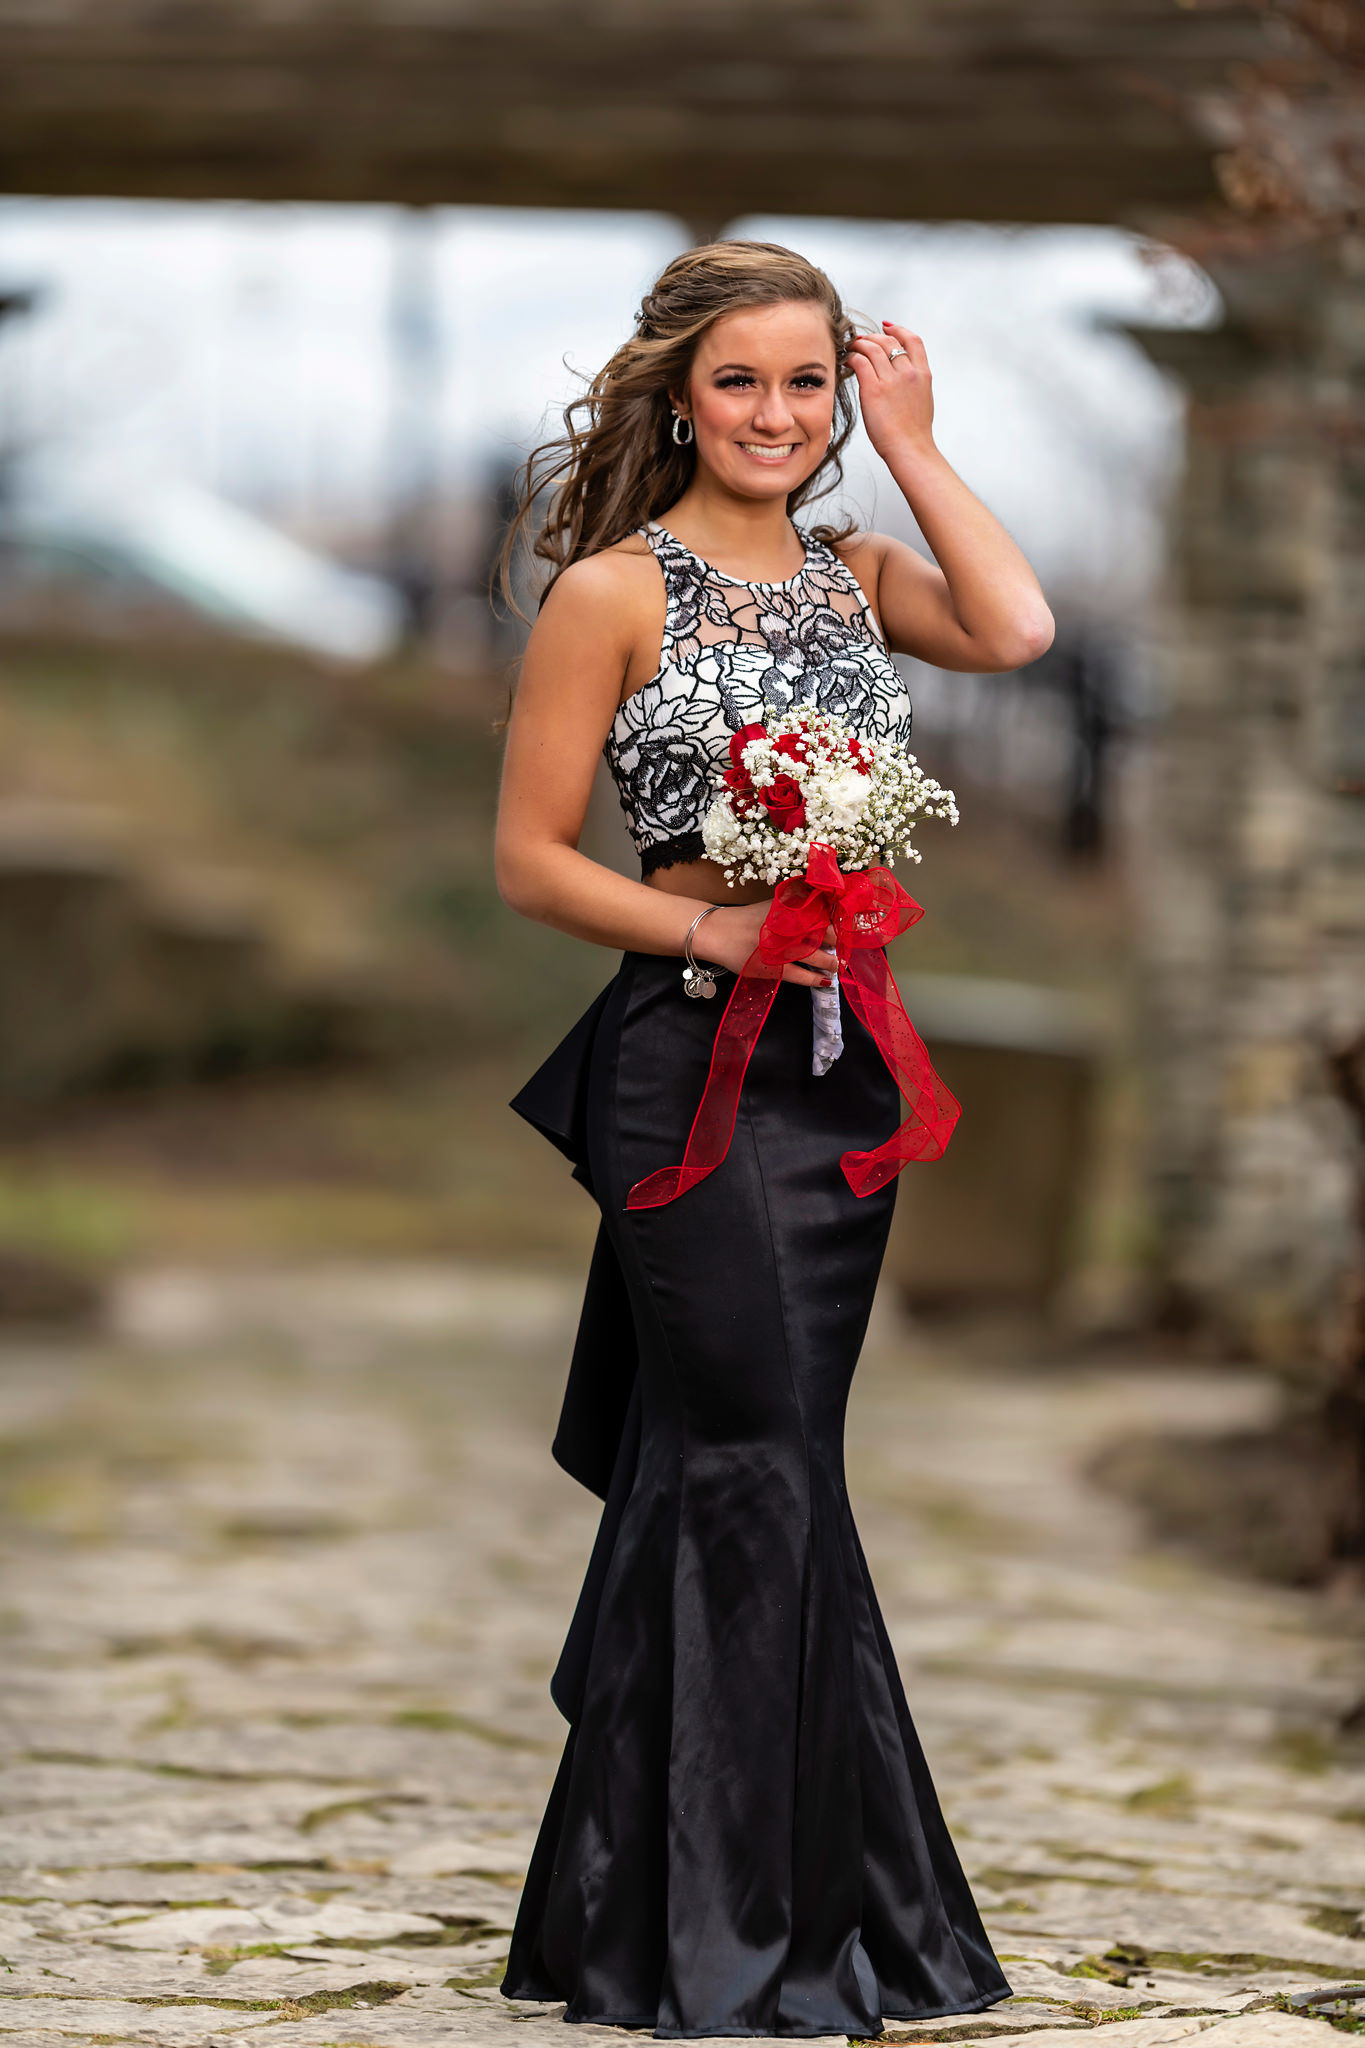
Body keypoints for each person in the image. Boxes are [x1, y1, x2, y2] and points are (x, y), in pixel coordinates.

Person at [494, 239, 1053, 2040]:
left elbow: (1023, 629)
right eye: (740, 380)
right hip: (687, 1067)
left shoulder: (861, 567)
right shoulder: (609, 590)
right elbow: (531, 860)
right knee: (748, 1452)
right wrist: (709, 930)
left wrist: (915, 445)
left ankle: (646, 1922)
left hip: (838, 1075)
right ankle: (768, 1937)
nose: (774, 414)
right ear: (676, 392)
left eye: (806, 381)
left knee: (759, 1457)